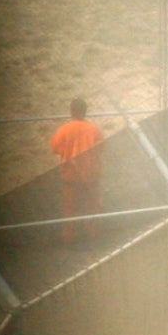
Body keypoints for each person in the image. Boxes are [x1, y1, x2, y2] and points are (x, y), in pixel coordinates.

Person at [48, 98, 105, 244]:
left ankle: (70, 237)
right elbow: (101, 148)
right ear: (85, 111)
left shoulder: (64, 129)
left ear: (71, 111)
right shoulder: (94, 129)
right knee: (92, 206)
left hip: (70, 175)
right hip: (91, 175)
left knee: (70, 208)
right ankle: (93, 235)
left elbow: (55, 148)